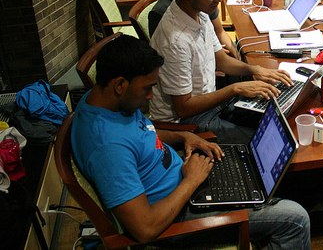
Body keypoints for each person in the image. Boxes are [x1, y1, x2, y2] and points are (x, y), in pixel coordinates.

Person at [71, 34, 310, 248]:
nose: (151, 96)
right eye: (147, 88)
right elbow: (145, 229)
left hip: (188, 181)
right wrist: (192, 181)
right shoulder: (107, 147)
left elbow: (142, 134)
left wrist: (183, 136)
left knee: (258, 171)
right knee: (296, 219)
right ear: (120, 85)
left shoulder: (105, 102)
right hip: (180, 218)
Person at [150, 0, 293, 143]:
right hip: (185, 122)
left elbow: (221, 60)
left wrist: (255, 70)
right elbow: (183, 107)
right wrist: (234, 89)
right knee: (271, 135)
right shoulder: (175, 40)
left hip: (210, 103)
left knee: (276, 110)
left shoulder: (197, 11)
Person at [148, 0, 238, 59]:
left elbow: (220, 31)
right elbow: (165, 60)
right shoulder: (161, 14)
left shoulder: (202, 3)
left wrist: (236, 55)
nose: (219, 0)